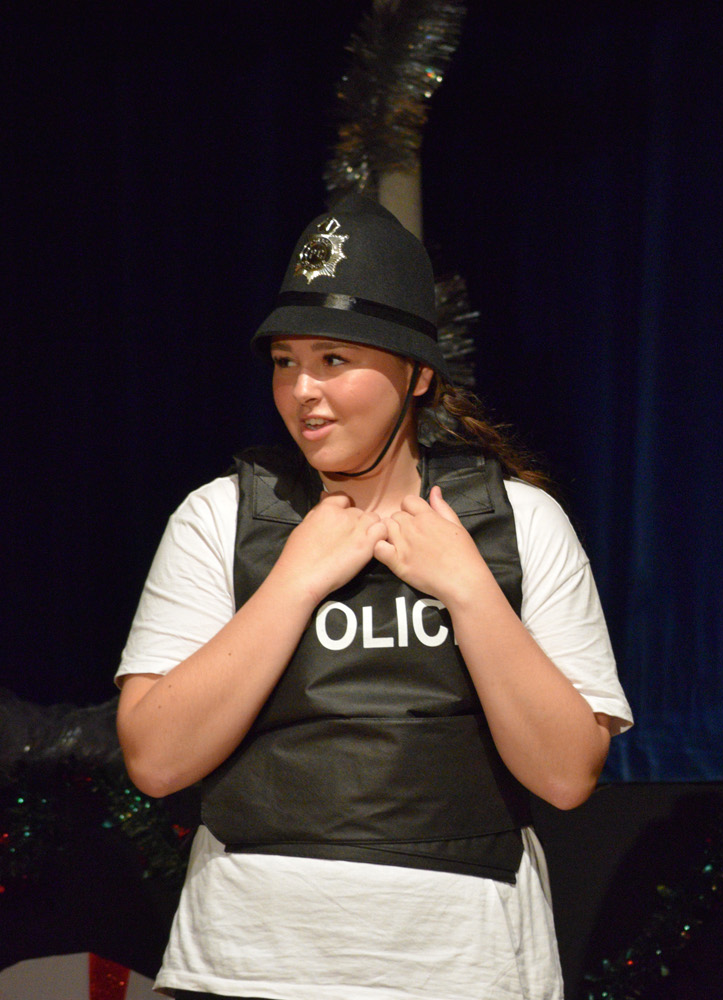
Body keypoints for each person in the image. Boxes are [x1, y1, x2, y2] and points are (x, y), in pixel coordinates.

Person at [115, 194, 632, 1000]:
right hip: (247, 964)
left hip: (465, 969)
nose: (302, 391)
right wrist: (294, 580)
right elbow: (155, 760)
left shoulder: (520, 522)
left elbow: (567, 775)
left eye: (333, 359)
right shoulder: (219, 517)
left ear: (418, 374)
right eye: (285, 361)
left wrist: (469, 588)